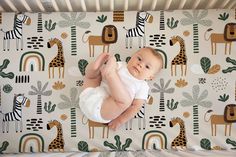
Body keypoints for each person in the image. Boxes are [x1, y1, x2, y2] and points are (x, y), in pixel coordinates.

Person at [79, 47, 163, 131]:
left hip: (103, 109)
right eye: (139, 59)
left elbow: (135, 107)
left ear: (150, 77)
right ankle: (95, 67)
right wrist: (101, 69)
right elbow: (102, 74)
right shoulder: (120, 65)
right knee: (92, 77)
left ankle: (109, 75)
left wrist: (120, 120)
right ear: (132, 57)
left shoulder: (142, 86)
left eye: (147, 67)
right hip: (89, 96)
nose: (140, 64)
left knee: (124, 102)